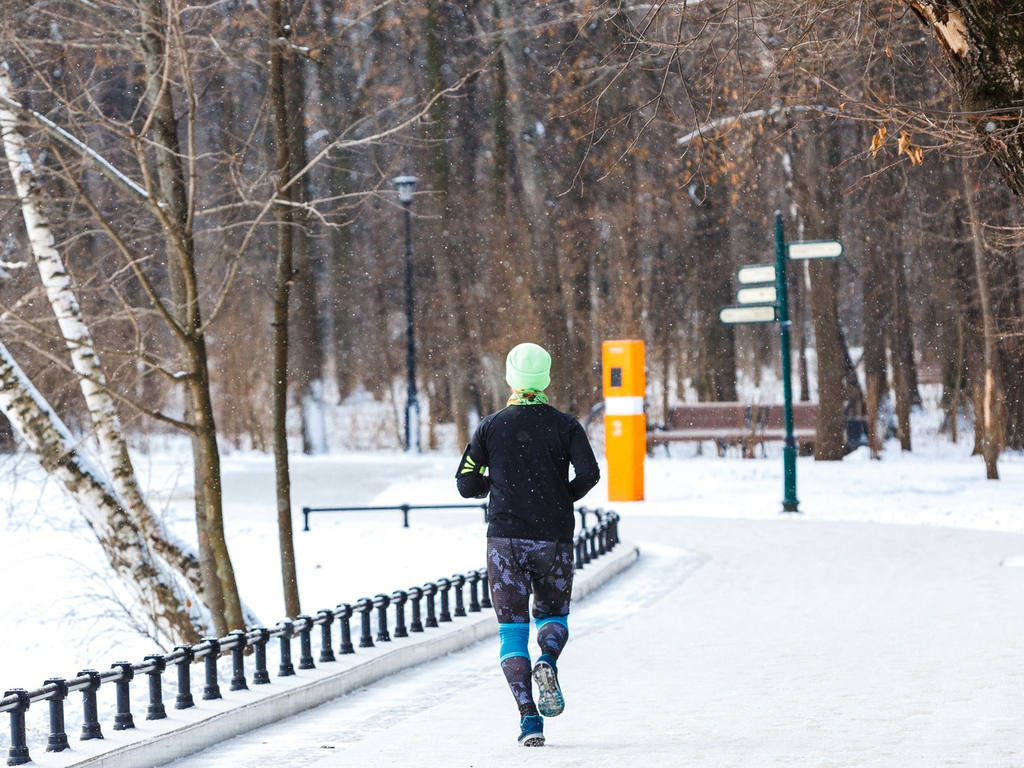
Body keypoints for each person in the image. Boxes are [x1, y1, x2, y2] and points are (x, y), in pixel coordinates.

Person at [455, 342, 600, 747]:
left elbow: (465, 483)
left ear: (510, 379)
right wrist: (559, 496)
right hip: (553, 538)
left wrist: (496, 486)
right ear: (547, 378)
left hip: (504, 542)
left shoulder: (489, 426)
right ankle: (547, 660)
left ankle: (528, 719)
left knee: (511, 631)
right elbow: (590, 473)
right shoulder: (566, 425)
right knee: (554, 615)